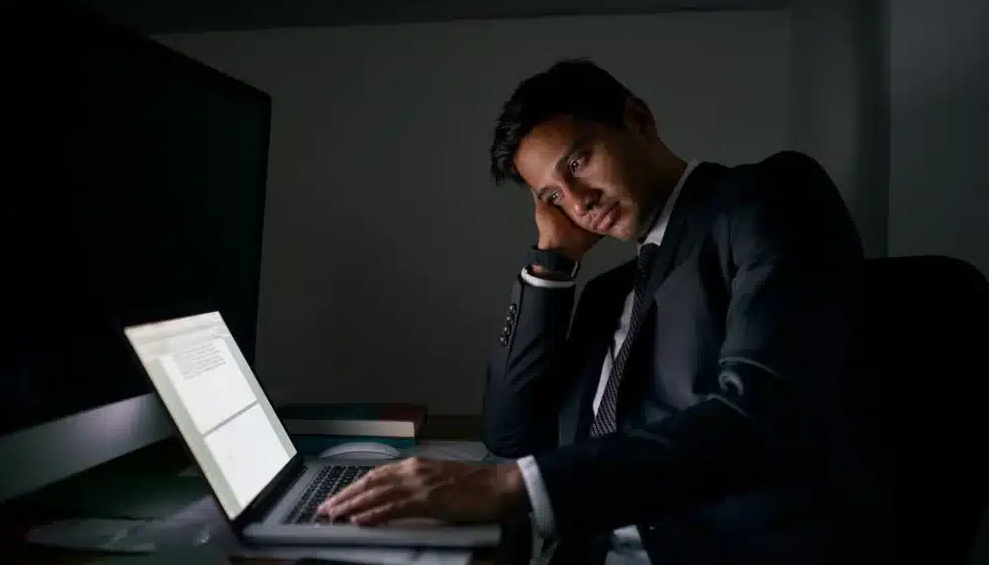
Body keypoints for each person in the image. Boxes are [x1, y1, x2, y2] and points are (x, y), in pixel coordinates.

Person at [318, 59, 864, 564]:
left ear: (639, 119)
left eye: (578, 162)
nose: (578, 201)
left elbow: (760, 415)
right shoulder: (610, 294)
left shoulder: (766, 199)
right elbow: (510, 435)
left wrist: (513, 487)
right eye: (552, 195)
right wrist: (551, 264)